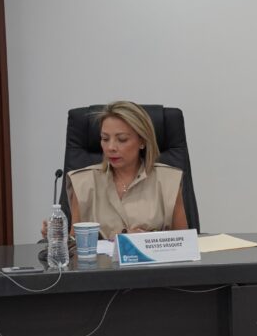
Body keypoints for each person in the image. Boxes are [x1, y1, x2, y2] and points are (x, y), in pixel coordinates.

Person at [63, 101, 188, 240]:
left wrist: (146, 240)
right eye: (105, 139)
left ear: (142, 141)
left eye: (122, 139)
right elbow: (74, 246)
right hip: (101, 255)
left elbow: (184, 242)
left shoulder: (168, 180)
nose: (110, 147)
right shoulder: (82, 182)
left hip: (153, 255)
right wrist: (55, 235)